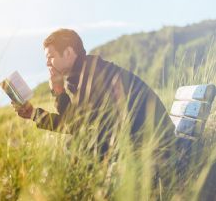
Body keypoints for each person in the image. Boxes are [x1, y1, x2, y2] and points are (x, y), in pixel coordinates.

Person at [12, 28, 177, 184]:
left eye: (51, 56)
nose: (47, 63)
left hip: (155, 147)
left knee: (77, 147)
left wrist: (58, 91)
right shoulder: (82, 73)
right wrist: (34, 113)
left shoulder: (93, 75)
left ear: (68, 53)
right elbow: (74, 122)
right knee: (76, 146)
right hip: (138, 139)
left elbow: (73, 125)